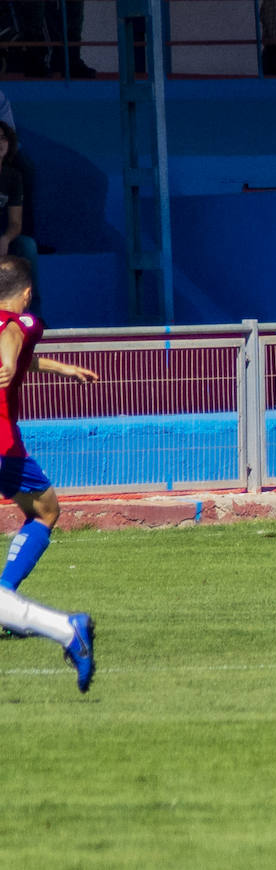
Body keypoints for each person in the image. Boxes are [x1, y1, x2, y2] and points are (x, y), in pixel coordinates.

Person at [0, 256, 97, 692]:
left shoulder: (16, 322)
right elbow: (13, 342)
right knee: (46, 511)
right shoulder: (23, 316)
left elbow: (13, 343)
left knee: (45, 510)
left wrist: (19, 360)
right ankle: (58, 625)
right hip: (3, 446)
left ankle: (48, 619)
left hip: (3, 446)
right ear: (25, 292)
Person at [0, 123, 37, 280]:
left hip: (2, 237)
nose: (0, 143)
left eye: (3, 138)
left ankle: (30, 302)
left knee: (26, 245)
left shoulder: (13, 177)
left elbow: (15, 223)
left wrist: (5, 238)